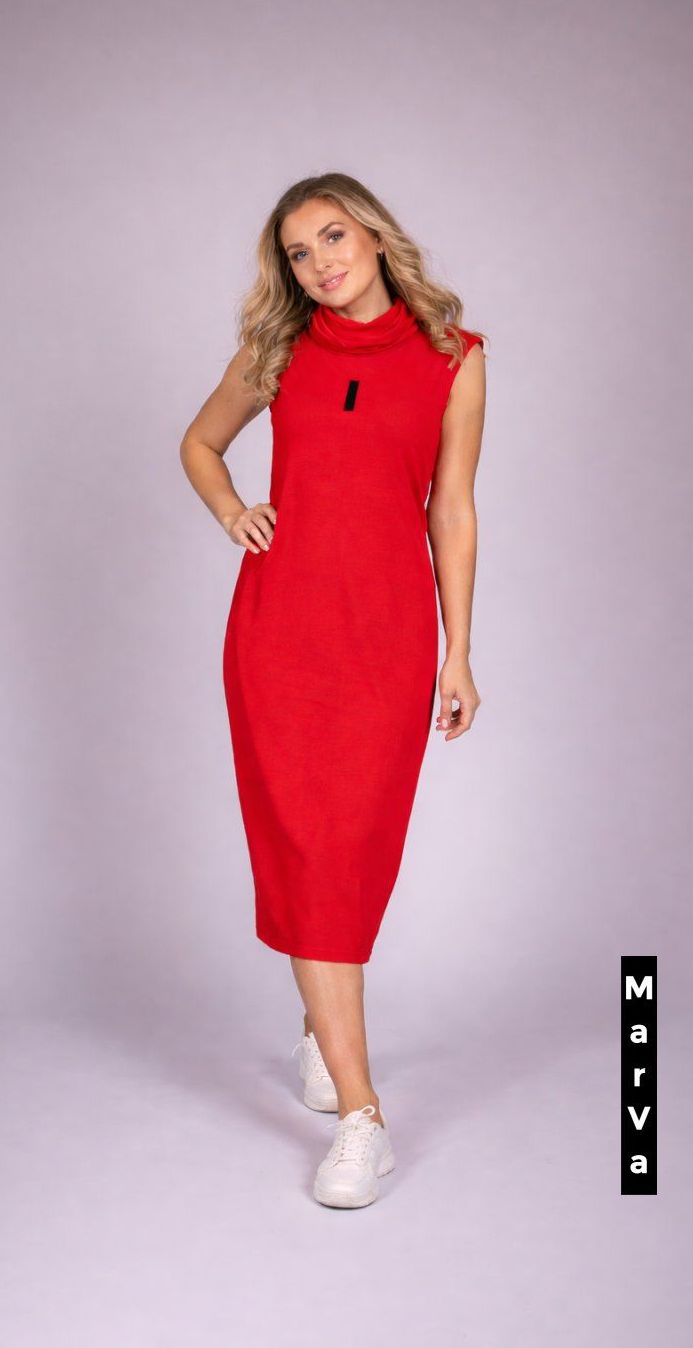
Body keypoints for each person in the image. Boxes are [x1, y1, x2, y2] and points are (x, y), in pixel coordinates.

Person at [180, 172, 486, 1207]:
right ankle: (364, 1117)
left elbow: (452, 509)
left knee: (352, 849)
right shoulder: (279, 352)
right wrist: (233, 510)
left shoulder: (454, 358)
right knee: (307, 846)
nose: (319, 263)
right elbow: (199, 442)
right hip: (279, 637)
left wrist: (457, 651)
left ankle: (320, 1023)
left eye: (333, 237)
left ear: (375, 236)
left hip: (387, 640)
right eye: (299, 253)